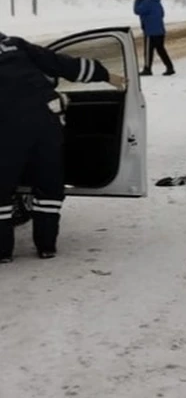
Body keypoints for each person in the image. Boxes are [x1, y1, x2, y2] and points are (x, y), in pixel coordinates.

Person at [0, 31, 125, 262]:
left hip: (6, 128)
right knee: (48, 186)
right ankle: (46, 246)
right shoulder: (15, 44)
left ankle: (2, 252)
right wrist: (106, 74)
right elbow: (61, 63)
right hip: (45, 122)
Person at [134, 0, 175, 76]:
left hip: (150, 31)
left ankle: (147, 69)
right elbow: (162, 13)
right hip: (160, 30)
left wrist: (137, 0)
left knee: (148, 51)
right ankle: (170, 67)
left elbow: (136, 10)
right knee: (161, 49)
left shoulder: (145, 2)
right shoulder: (156, 1)